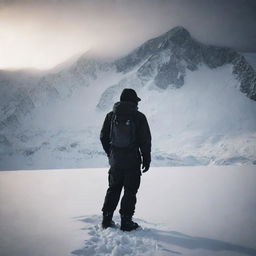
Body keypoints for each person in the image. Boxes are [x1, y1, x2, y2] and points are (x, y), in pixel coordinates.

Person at [100, 88, 152, 231]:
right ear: (133, 101)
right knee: (130, 191)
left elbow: (103, 137)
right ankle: (126, 221)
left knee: (113, 189)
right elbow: (145, 141)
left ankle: (106, 219)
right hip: (132, 162)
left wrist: (110, 153)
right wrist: (146, 160)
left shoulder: (111, 116)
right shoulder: (139, 117)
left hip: (116, 161)